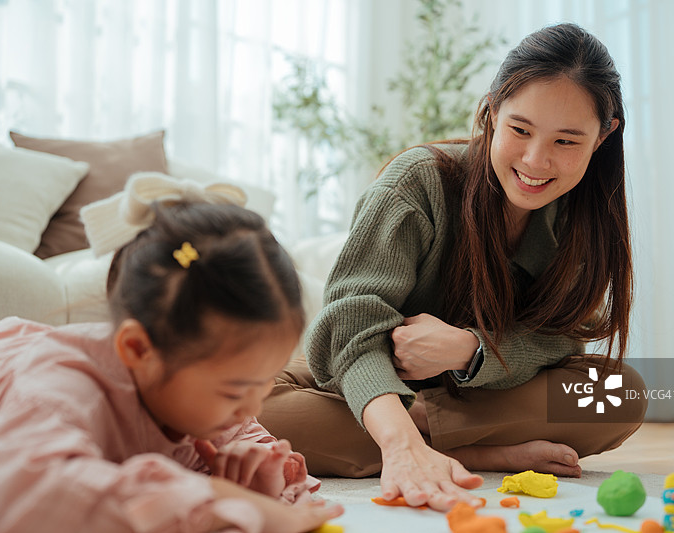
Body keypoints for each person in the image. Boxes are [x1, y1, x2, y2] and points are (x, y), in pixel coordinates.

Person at [258, 23, 648, 511]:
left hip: (485, 394)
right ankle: (469, 451)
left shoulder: (582, 215)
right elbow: (350, 326)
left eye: (566, 142)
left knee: (620, 394)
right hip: (369, 392)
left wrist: (471, 351)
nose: (535, 160)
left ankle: (430, 434)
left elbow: (562, 339)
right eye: (520, 130)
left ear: (603, 136)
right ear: (492, 110)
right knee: (247, 417)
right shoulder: (418, 181)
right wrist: (398, 439)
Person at [0, 174, 342, 533]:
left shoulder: (217, 406)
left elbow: (266, 461)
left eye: (263, 385)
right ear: (138, 350)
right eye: (235, 391)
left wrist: (262, 483)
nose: (252, 407)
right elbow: (27, 497)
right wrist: (217, 496)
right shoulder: (58, 390)